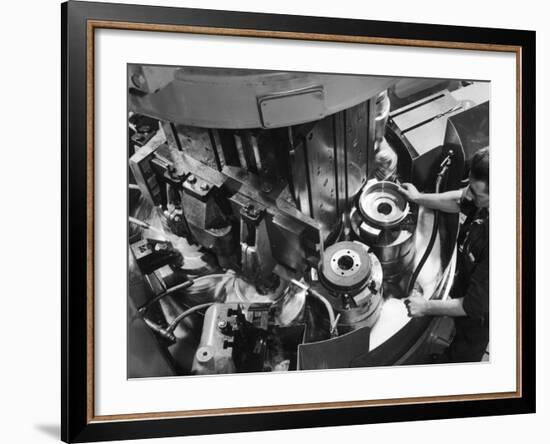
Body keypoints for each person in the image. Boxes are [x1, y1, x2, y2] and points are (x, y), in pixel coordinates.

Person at [398, 147, 490, 363]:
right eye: (469, 186)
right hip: (473, 276)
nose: (468, 194)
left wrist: (426, 307)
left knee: (469, 343)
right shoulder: (487, 198)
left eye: (477, 194)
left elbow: (472, 306)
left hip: (484, 311)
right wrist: (419, 198)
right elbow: (459, 200)